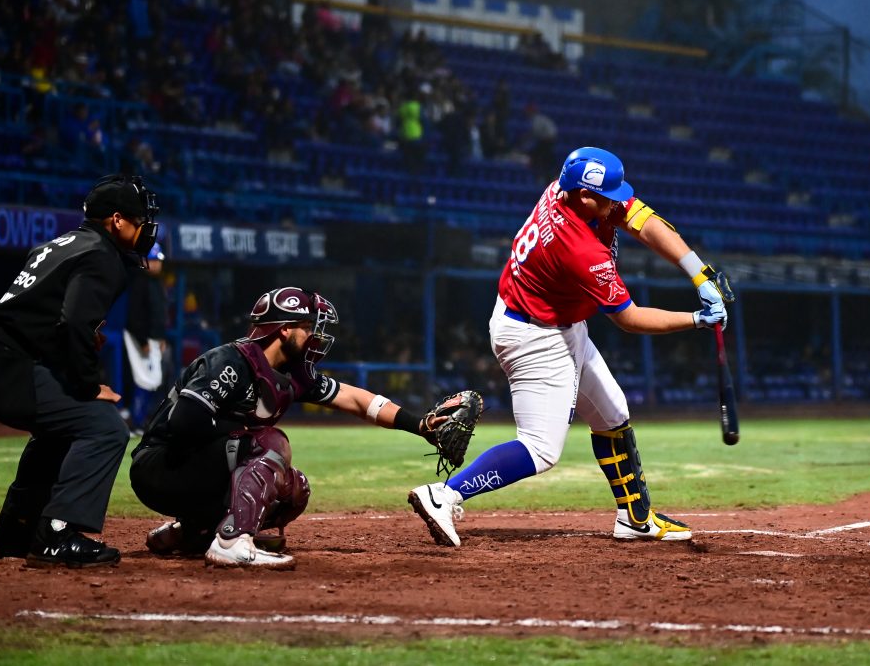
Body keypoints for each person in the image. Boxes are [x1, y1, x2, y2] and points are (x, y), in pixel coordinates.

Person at [409, 147, 729, 547]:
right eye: (608, 197)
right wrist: (696, 319)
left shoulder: (566, 190)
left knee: (613, 412)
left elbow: (643, 220)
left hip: (555, 321)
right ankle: (444, 495)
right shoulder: (579, 248)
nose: (617, 203)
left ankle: (634, 518)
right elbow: (629, 318)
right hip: (535, 336)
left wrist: (699, 274)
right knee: (541, 449)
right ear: (585, 196)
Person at [130, 287, 461, 569]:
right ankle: (231, 541)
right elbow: (184, 423)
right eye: (307, 327)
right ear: (284, 330)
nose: (314, 336)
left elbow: (357, 401)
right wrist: (241, 436)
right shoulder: (230, 362)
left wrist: (421, 425)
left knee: (293, 489)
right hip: (160, 467)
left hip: (194, 468)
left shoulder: (291, 372)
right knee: (269, 443)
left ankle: (191, 533)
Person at [0, 174, 160, 567]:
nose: (146, 227)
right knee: (105, 427)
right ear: (117, 220)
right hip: (4, 366)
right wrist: (89, 385)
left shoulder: (58, 244)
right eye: (140, 219)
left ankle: (16, 530)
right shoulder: (101, 254)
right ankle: (56, 533)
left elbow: (41, 318)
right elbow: (73, 324)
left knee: (62, 426)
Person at [122, 241, 168, 433]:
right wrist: (142, 341)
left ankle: (141, 421)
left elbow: (159, 314)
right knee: (142, 380)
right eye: (153, 260)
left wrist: (161, 337)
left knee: (153, 380)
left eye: (158, 260)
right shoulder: (139, 281)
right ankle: (135, 422)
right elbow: (134, 317)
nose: (157, 264)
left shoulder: (156, 282)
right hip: (139, 338)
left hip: (152, 338)